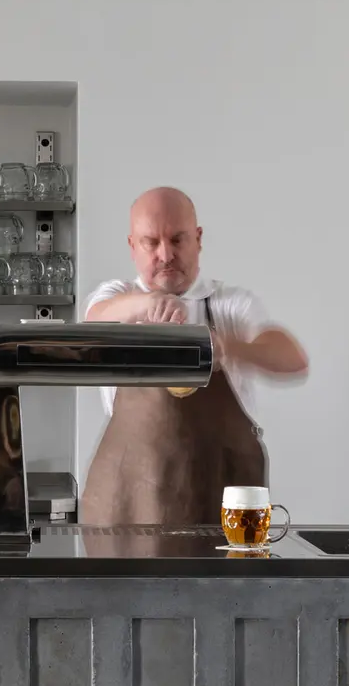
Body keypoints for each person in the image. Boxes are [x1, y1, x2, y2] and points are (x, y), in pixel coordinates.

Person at [79, 186, 308, 527]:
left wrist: (227, 348)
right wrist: (148, 303)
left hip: (220, 508)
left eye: (177, 239)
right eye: (151, 242)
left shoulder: (228, 304)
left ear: (198, 239)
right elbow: (93, 321)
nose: (165, 254)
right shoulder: (118, 298)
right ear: (132, 246)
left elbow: (292, 359)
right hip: (128, 512)